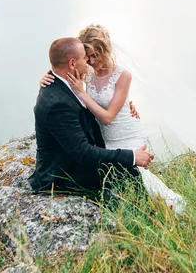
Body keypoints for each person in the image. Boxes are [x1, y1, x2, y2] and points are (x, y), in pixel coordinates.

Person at [39, 26, 186, 215]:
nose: (91, 61)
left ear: (104, 51)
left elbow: (108, 116)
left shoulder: (122, 75)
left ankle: (173, 206)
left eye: (94, 56)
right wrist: (47, 77)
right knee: (121, 171)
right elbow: (63, 68)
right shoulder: (87, 73)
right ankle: (148, 207)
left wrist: (84, 94)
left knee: (134, 171)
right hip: (104, 139)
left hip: (124, 131)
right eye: (87, 57)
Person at [29, 37, 154, 197]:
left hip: (77, 158)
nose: (88, 61)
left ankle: (148, 211)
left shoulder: (68, 81)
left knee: (129, 172)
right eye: (84, 57)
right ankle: (144, 213)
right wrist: (131, 156)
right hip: (63, 174)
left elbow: (63, 55)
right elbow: (82, 152)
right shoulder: (57, 104)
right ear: (72, 63)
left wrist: (123, 105)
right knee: (128, 170)